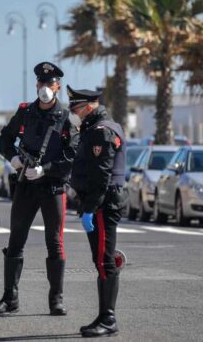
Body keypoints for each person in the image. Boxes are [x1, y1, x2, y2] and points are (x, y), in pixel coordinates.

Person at [0, 62, 78, 316]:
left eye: (50, 83)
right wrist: (13, 159)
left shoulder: (67, 117)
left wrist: (46, 169)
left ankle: (56, 300)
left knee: (55, 243)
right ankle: (9, 299)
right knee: (15, 241)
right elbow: (5, 138)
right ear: (36, 85)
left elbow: (72, 155)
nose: (45, 88)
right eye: (41, 83)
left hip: (52, 187)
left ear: (57, 86)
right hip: (26, 186)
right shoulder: (25, 112)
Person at [67, 85, 126, 338]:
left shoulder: (102, 131)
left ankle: (108, 318)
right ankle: (104, 315)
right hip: (98, 202)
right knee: (103, 259)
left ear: (90, 105)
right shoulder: (94, 127)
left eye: (77, 107)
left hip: (102, 203)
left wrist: (90, 209)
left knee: (104, 262)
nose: (74, 112)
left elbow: (101, 175)